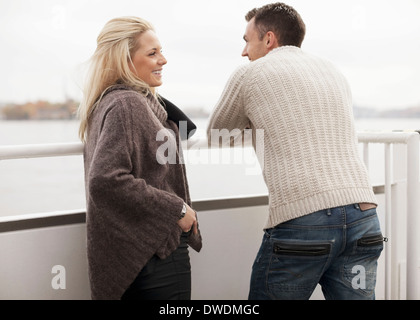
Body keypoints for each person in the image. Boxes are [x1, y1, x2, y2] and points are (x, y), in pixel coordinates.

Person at [207, 3, 384, 300]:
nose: (243, 52)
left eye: (246, 41)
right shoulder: (332, 70)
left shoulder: (250, 74)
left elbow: (217, 134)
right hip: (364, 217)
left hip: (304, 222)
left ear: (269, 39)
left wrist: (258, 125)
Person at [78, 16, 202, 300]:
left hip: (137, 247)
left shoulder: (115, 102)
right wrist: (178, 209)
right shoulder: (127, 103)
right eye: (152, 53)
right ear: (126, 60)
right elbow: (106, 180)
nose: (164, 60)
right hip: (155, 250)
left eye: (161, 51)